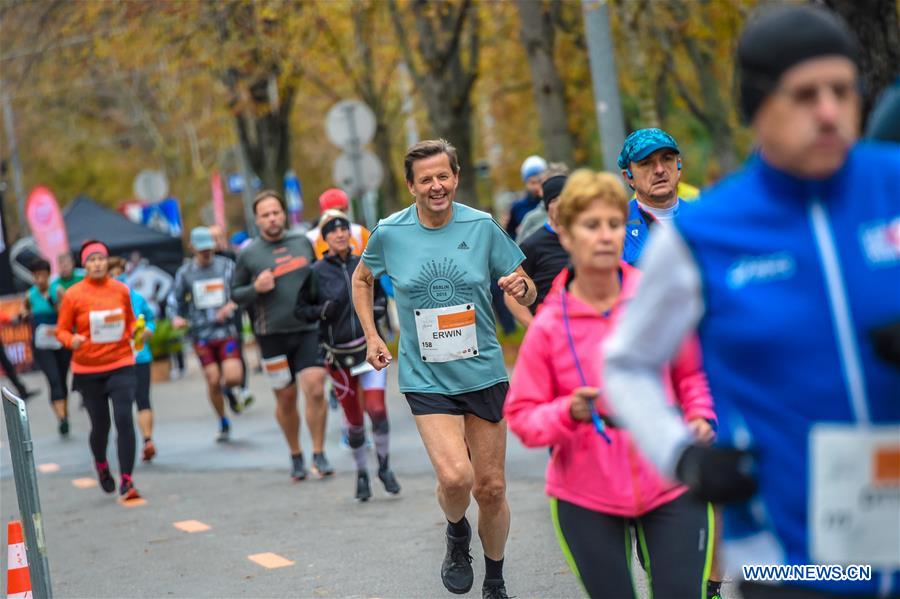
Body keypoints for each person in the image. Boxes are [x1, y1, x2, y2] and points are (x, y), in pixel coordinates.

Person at [603, 5, 900, 597]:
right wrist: (684, 458)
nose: (828, 112)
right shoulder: (706, 232)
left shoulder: (893, 183)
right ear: (758, 105)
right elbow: (625, 364)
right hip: (784, 552)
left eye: (842, 91)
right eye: (804, 94)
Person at [504, 169, 717, 597]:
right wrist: (570, 411)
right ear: (566, 235)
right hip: (586, 493)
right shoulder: (549, 325)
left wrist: (699, 416)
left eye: (614, 224)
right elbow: (523, 416)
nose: (605, 236)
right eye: (591, 225)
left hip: (669, 477)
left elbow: (692, 375)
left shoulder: (656, 302)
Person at [353, 139, 537, 599]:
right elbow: (361, 278)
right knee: (457, 478)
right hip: (426, 374)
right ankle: (457, 535)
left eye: (444, 176)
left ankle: (495, 582)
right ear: (411, 185)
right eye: (426, 179)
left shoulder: (482, 226)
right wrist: (373, 336)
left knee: (491, 487)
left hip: (484, 372)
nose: (437, 185)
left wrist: (525, 288)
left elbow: (523, 286)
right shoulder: (390, 233)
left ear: (455, 177)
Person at [297, 210, 400, 501]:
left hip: (368, 351)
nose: (340, 234)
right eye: (332, 231)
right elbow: (300, 310)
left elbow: (380, 296)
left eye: (344, 229)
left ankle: (384, 467)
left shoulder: (364, 264)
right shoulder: (315, 272)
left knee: (378, 411)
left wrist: (378, 312)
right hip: (339, 358)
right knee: (354, 421)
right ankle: (362, 475)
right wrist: (320, 311)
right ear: (325, 239)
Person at [232, 191, 333, 481]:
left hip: (308, 329)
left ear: (284, 214)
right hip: (271, 335)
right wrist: (255, 288)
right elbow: (235, 294)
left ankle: (318, 452)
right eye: (266, 214)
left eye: (276, 212)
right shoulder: (249, 254)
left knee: (315, 388)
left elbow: (319, 277)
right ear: (257, 219)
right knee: (286, 398)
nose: (272, 218)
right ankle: (296, 454)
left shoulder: (302, 242)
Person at [56, 240, 141, 501]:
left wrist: (137, 332)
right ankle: (102, 464)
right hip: (88, 369)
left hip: (121, 363)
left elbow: (130, 324)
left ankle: (127, 479)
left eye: (101, 259)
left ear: (107, 262)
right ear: (85, 265)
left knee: (125, 419)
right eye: (91, 260)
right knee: (100, 425)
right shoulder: (73, 295)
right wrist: (73, 341)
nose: (97, 264)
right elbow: (61, 330)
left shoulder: (121, 290)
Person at [170, 227, 251, 442]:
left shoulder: (227, 267)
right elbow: (175, 302)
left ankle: (230, 392)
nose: (207, 252)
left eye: (209, 248)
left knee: (233, 377)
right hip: (201, 334)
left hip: (226, 331)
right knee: (213, 379)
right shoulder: (185, 273)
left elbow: (240, 291)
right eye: (202, 249)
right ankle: (223, 420)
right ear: (193, 248)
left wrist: (231, 306)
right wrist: (177, 318)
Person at [616, 127, 690, 265]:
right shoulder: (616, 227)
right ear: (628, 177)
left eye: (667, 159)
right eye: (646, 163)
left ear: (678, 165)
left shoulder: (701, 218)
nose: (659, 170)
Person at [504, 174, 570, 328]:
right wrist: (535, 327)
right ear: (546, 207)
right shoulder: (532, 245)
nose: (561, 204)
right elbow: (510, 296)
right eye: (554, 200)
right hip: (552, 331)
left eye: (565, 198)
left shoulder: (585, 238)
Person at [108, 257, 157, 462]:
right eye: (112, 273)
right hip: (115, 360)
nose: (116, 277)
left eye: (120, 272)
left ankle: (147, 440)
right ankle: (127, 443)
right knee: (122, 406)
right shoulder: (102, 301)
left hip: (139, 357)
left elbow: (151, 320)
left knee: (143, 398)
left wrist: (148, 331)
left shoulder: (136, 298)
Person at [23, 257, 71, 435]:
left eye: (42, 275)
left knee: (62, 378)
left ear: (49, 275)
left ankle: (64, 411)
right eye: (36, 276)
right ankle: (62, 418)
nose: (39, 280)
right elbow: (25, 311)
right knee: (54, 380)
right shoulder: (30, 295)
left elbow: (68, 311)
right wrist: (25, 316)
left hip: (60, 340)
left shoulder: (57, 290)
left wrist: (54, 304)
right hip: (42, 344)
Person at [304, 188, 372, 260]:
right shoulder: (311, 238)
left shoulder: (359, 232)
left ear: (347, 209)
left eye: (340, 210)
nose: (337, 215)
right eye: (332, 211)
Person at [505, 155, 547, 239]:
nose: (536, 186)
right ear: (525, 182)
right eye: (532, 182)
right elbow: (510, 235)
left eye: (539, 181)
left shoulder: (550, 203)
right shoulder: (518, 207)